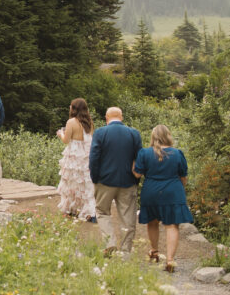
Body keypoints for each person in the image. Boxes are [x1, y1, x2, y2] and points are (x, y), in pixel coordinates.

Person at [133, 124, 194, 273]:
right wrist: (179, 188)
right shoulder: (177, 153)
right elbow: (183, 177)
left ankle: (154, 252)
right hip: (173, 190)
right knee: (172, 225)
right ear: (168, 136)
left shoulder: (144, 153)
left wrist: (132, 162)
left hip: (151, 191)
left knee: (152, 223)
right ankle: (170, 260)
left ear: (153, 137)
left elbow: (137, 174)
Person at [88, 106, 142, 257]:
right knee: (128, 217)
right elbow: (140, 158)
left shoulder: (100, 133)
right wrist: (136, 179)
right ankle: (125, 251)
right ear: (122, 117)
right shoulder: (134, 133)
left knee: (102, 212)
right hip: (128, 181)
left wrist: (95, 178)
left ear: (106, 118)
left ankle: (110, 243)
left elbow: (94, 158)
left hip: (104, 180)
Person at [56, 98, 96, 221]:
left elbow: (66, 140)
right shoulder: (89, 122)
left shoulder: (71, 122)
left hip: (74, 157)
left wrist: (60, 134)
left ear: (74, 109)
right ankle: (90, 211)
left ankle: (71, 209)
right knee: (86, 184)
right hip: (85, 157)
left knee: (71, 183)